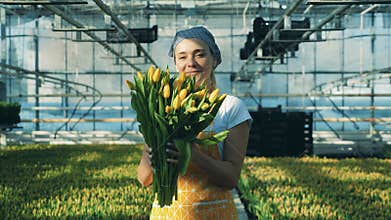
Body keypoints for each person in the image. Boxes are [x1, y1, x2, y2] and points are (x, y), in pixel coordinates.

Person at [137, 26, 252, 219]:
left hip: (215, 214)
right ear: (175, 63)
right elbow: (144, 179)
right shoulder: (162, 106)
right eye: (182, 57)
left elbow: (231, 178)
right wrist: (151, 158)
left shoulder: (230, 107)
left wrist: (193, 155)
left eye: (199, 55)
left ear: (214, 59)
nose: (190, 63)